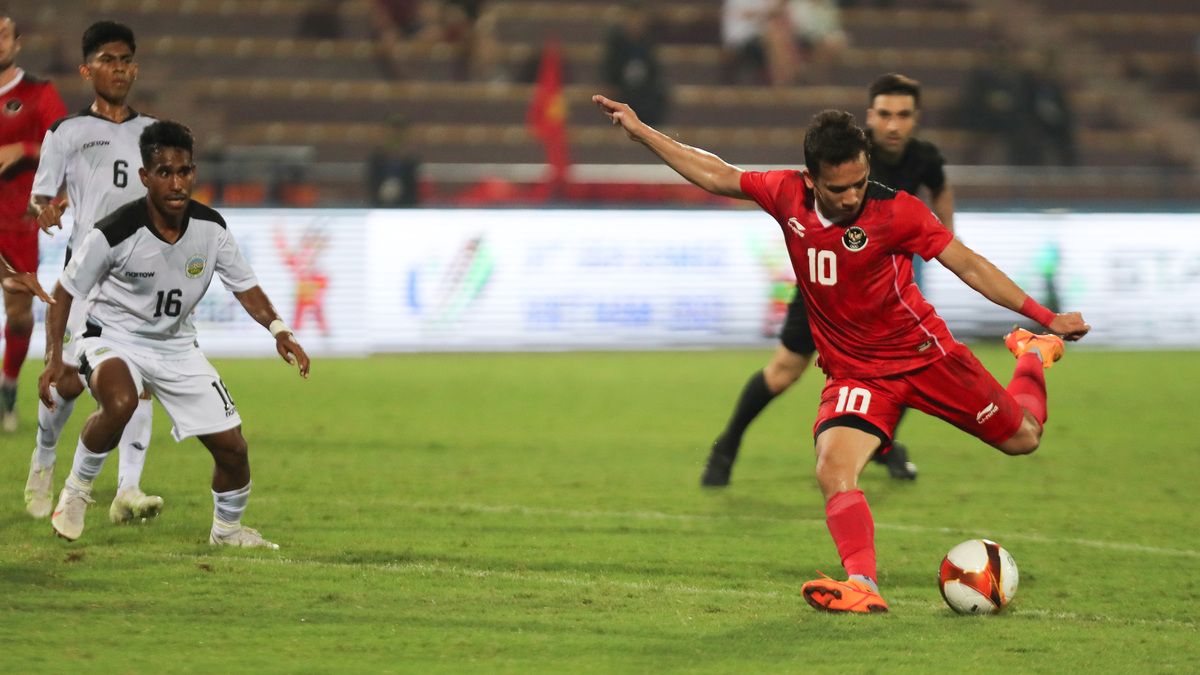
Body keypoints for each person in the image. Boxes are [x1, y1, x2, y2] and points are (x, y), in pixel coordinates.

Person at [593, 93, 1089, 613]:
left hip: (926, 357)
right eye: (838, 188)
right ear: (810, 179)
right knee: (833, 469)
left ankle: (1032, 355)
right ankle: (863, 586)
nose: (852, 195)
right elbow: (716, 173)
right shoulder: (785, 195)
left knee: (1024, 440)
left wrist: (1044, 318)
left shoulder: (897, 212)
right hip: (858, 374)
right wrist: (642, 131)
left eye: (858, 182)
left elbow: (968, 264)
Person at [40, 120, 310, 548]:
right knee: (122, 400)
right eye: (164, 172)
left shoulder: (211, 228)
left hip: (177, 347)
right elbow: (64, 293)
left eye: (183, 171)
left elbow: (245, 286)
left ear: (193, 172)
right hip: (112, 337)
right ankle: (75, 492)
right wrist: (57, 358)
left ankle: (227, 532)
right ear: (146, 177)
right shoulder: (114, 231)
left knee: (233, 449)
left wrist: (279, 329)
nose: (176, 182)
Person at [701, 73, 953, 487]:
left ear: (915, 119)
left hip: (881, 290)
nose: (893, 124)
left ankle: (883, 447)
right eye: (885, 114)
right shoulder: (844, 157)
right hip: (826, 285)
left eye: (903, 115)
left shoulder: (925, 158)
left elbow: (941, 195)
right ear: (870, 116)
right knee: (783, 371)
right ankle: (727, 445)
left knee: (905, 366)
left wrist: (946, 239)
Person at [25, 21, 161, 521]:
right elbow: (39, 197)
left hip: (141, 281)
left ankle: (128, 489)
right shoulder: (66, 133)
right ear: (87, 70)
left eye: (126, 60)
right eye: (108, 59)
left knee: (139, 381)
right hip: (85, 278)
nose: (119, 69)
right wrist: (45, 208)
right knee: (66, 383)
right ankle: (43, 461)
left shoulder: (154, 134)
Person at [0, 16, 67, 432]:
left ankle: (8, 386)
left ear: (16, 43)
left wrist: (22, 147)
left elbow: (64, 143)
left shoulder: (38, 93)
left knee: (20, 315)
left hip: (16, 223)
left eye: (2, 36)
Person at [601, 1, 669, 127]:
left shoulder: (649, 44)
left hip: (645, 96)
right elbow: (609, 73)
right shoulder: (615, 44)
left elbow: (654, 74)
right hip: (623, 94)